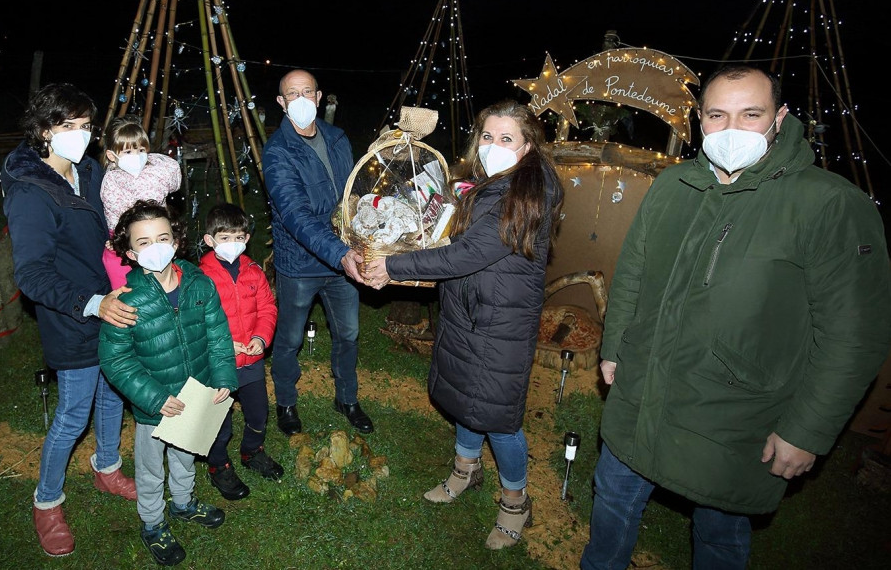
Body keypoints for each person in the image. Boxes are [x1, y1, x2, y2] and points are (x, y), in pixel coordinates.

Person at [579, 65, 891, 570]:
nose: (731, 130)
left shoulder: (829, 205)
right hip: (644, 389)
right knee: (613, 495)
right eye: (717, 115)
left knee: (720, 530)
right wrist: (615, 346)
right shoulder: (674, 184)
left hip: (735, 413)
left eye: (751, 114)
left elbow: (853, 334)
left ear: (779, 117)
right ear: (700, 119)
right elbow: (633, 270)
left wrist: (807, 431)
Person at [363, 99, 565, 549]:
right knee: (465, 395)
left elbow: (471, 253)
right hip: (472, 312)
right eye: (488, 137)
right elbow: (462, 241)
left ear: (528, 144)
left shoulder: (527, 191)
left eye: (506, 138)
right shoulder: (494, 183)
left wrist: (395, 267)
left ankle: (516, 502)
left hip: (500, 324)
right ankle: (465, 471)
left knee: (499, 416)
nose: (493, 145)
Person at [0, 83, 139, 558]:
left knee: (113, 393)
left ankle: (107, 467)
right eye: (67, 127)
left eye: (85, 127)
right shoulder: (31, 193)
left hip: (112, 301)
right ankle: (47, 501)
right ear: (43, 131)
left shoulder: (91, 169)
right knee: (73, 412)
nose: (80, 137)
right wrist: (92, 303)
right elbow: (33, 275)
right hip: (73, 312)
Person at [98, 200, 238, 566]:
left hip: (196, 393)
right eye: (144, 242)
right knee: (149, 468)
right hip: (154, 407)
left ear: (176, 241)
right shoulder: (125, 301)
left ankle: (183, 502)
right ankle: (153, 522)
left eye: (163, 237)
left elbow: (218, 334)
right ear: (129, 252)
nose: (155, 246)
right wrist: (154, 398)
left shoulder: (199, 284)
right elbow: (116, 360)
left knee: (185, 453)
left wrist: (223, 375)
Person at [262, 68, 373, 435]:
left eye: (306, 92)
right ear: (281, 102)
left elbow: (353, 194)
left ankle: (347, 397)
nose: (300, 101)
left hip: (343, 260)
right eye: (291, 95)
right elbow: (295, 215)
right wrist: (339, 252)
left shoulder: (338, 138)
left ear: (319, 96)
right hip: (301, 263)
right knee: (289, 339)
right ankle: (286, 402)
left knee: (349, 333)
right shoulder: (278, 152)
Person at [199, 202, 283, 500]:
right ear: (210, 240)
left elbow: (267, 308)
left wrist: (261, 337)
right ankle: (218, 464)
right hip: (218, 364)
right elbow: (196, 322)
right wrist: (222, 344)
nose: (233, 244)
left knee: (258, 414)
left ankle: (251, 451)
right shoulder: (200, 278)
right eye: (225, 238)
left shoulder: (253, 271)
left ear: (247, 238)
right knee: (220, 424)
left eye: (239, 237)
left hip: (251, 361)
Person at [100, 114, 181, 289]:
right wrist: (118, 240)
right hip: (125, 237)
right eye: (128, 152)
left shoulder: (159, 169)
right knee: (128, 287)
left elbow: (173, 183)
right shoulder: (112, 181)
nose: (136, 156)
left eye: (141, 150)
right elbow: (114, 214)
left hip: (159, 233)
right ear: (112, 155)